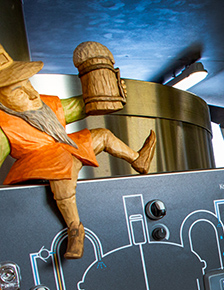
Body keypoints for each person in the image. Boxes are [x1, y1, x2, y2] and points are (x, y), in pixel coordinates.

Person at [0, 43, 156, 259]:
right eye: (18, 91)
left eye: (27, 83)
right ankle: (75, 228)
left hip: (64, 146)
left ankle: (138, 160)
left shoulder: (46, 104)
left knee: (102, 135)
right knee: (63, 168)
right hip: (36, 160)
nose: (31, 94)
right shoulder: (3, 126)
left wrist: (106, 94)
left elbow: (79, 107)